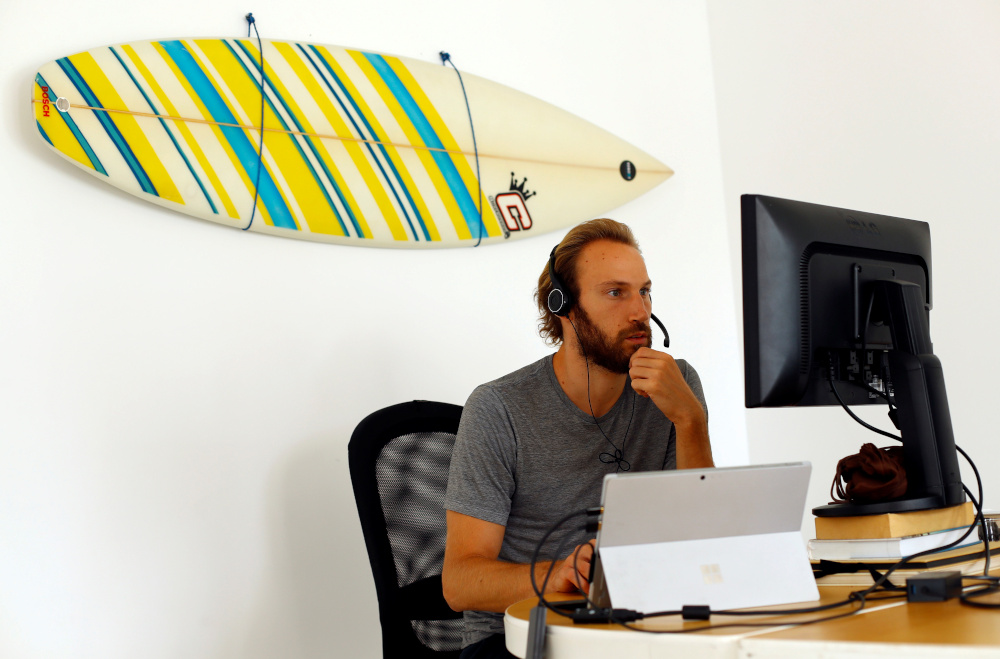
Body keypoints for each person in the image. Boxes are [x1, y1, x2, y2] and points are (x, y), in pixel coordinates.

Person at [441, 218, 714, 658]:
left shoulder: (676, 386)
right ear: (562, 305)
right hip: (521, 638)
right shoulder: (498, 408)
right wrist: (562, 574)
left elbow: (701, 540)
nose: (639, 311)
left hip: (632, 626)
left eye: (644, 291)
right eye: (615, 292)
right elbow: (459, 584)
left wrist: (690, 420)